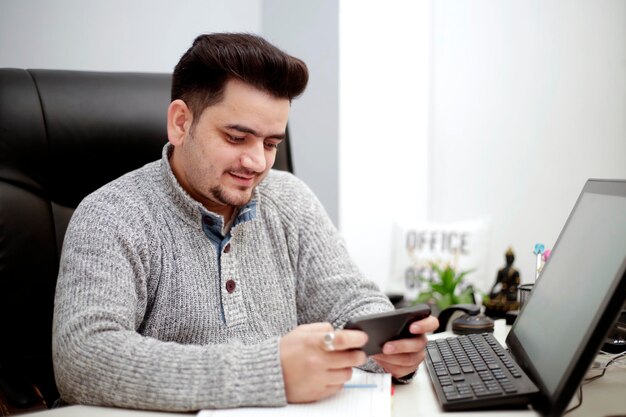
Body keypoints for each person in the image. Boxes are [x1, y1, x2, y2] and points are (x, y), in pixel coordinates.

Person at [52, 33, 438, 412]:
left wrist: (390, 348)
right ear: (181, 122)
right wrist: (269, 372)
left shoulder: (290, 199)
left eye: (270, 144)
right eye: (237, 138)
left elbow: (347, 298)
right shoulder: (111, 214)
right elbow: (83, 356)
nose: (257, 163)